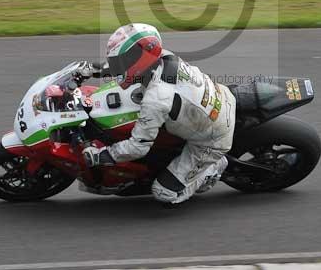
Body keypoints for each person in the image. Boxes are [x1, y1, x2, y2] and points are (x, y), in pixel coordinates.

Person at [82, 23, 236, 204]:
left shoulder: (156, 98)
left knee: (163, 193)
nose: (119, 65)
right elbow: (127, 66)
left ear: (139, 58)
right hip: (219, 99)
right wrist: (94, 69)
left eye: (122, 60)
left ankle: (214, 167)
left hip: (213, 138)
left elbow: (138, 147)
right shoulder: (161, 56)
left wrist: (101, 155)